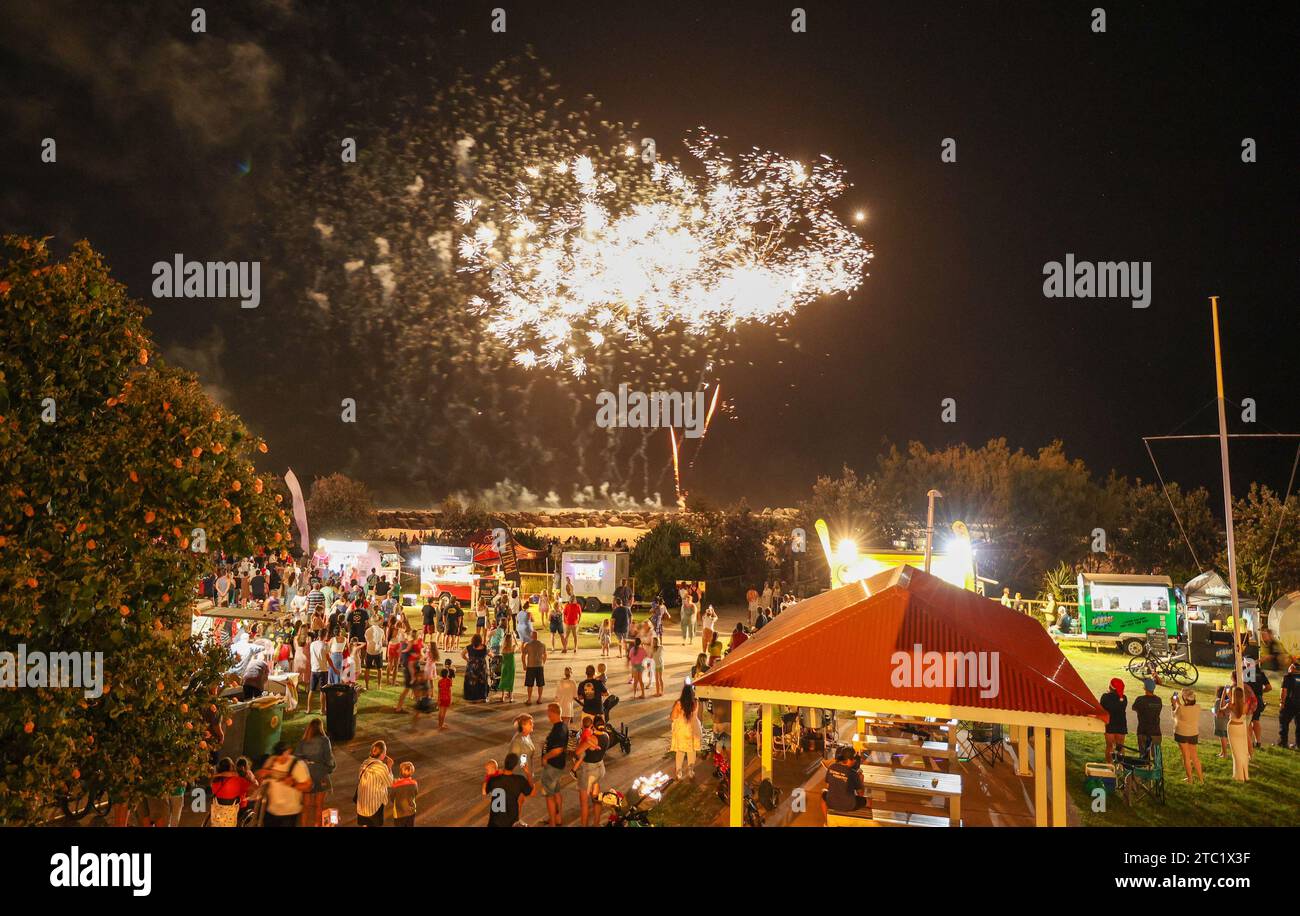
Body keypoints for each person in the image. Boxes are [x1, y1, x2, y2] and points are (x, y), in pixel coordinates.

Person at [256, 742, 313, 827]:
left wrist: (294, 784)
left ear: (289, 751)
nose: (279, 759)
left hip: (289, 812)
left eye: (283, 755)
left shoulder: (297, 764)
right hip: (271, 811)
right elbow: (260, 779)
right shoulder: (271, 761)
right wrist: (260, 775)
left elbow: (308, 787)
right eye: (278, 756)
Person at [294, 718, 335, 827]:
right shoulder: (325, 740)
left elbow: (296, 758)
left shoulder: (303, 741)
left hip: (307, 775)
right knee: (319, 806)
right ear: (320, 728)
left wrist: (305, 765)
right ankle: (317, 825)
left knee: (306, 806)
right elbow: (329, 759)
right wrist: (329, 769)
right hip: (321, 774)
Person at [572, 715, 611, 827]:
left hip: (588, 771)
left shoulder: (592, 739)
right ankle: (596, 824)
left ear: (593, 725)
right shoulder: (606, 736)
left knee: (584, 803)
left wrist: (584, 742)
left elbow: (578, 752)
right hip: (599, 768)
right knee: (596, 799)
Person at [540, 703, 570, 826]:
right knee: (557, 791)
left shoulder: (559, 729)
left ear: (553, 713)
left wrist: (545, 758)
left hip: (553, 766)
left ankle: (552, 822)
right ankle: (558, 818)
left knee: (549, 796)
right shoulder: (562, 726)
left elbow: (557, 750)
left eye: (548, 712)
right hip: (559, 766)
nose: (547, 715)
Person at [485, 752, 534, 827]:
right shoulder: (519, 780)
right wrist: (528, 773)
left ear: (505, 763)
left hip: (494, 821)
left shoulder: (493, 780)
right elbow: (530, 791)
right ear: (514, 766)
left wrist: (494, 773)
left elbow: (486, 790)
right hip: (510, 821)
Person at [821, 746, 868, 822]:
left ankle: (827, 822)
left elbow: (828, 787)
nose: (855, 761)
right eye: (854, 759)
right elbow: (861, 794)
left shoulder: (831, 767)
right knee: (868, 801)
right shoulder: (853, 773)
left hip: (831, 802)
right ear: (849, 760)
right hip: (849, 805)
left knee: (823, 793)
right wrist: (861, 780)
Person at [355, 741, 394, 827]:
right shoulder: (381, 767)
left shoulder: (365, 763)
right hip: (374, 806)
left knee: (365, 825)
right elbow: (390, 783)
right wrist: (389, 767)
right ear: (383, 754)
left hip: (362, 804)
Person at [209, 757, 256, 827]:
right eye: (233, 765)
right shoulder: (238, 780)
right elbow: (253, 788)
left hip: (218, 813)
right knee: (251, 804)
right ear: (230, 768)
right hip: (235, 812)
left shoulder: (214, 782)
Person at [1170, 688, 1204, 784]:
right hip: (1193, 733)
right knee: (1195, 757)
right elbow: (1185, 710)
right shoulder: (1198, 707)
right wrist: (1179, 704)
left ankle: (1190, 779)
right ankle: (1201, 779)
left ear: (1184, 699)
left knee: (1186, 756)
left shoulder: (1181, 708)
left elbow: (1174, 715)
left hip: (1181, 733)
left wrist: (1174, 704)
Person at [670, 683, 703, 779]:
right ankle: (691, 770)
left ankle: (679, 771)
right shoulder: (696, 702)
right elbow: (699, 716)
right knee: (692, 751)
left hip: (682, 729)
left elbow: (673, 717)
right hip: (694, 729)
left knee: (680, 751)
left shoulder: (679, 703)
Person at [1130, 678, 1162, 758]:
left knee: (1144, 756)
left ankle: (1145, 768)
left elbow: (1134, 708)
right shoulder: (1158, 700)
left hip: (1143, 730)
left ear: (1145, 688)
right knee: (1156, 756)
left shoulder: (1140, 699)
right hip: (1156, 731)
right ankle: (1156, 770)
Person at [1099, 678, 1127, 763]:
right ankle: (1120, 765)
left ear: (1110, 687)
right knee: (1120, 746)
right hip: (1121, 725)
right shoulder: (1124, 698)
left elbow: (1102, 708)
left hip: (1110, 724)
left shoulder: (1105, 697)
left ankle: (1110, 765)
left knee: (1109, 746)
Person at [1227, 687, 1251, 781]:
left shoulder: (1231, 705)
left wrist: (1226, 693)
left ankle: (1239, 776)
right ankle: (1244, 774)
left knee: (1236, 753)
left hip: (1233, 728)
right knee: (1242, 751)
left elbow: (1221, 708)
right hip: (1241, 728)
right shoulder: (1246, 705)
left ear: (1233, 695)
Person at [305, 631, 331, 715]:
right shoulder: (325, 645)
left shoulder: (312, 644)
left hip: (314, 669)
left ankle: (309, 709)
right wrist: (334, 668)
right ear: (325, 635)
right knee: (322, 691)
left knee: (311, 690)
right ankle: (322, 710)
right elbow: (328, 658)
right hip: (323, 670)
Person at [389, 762, 419, 827]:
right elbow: (415, 793)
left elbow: (392, 798)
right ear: (412, 772)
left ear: (400, 772)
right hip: (411, 811)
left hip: (399, 813)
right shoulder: (414, 784)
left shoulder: (396, 785)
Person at [462, 633, 489, 702]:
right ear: (480, 640)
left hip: (471, 667)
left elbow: (462, 654)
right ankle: (482, 697)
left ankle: (471, 697)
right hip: (481, 668)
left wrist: (468, 660)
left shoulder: (469, 647)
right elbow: (489, 653)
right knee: (482, 682)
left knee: (471, 681)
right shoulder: (484, 647)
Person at [1279, 661, 1300, 748]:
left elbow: (1284, 690)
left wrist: (1282, 702)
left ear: (1293, 668)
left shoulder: (1287, 677)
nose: (1289, 668)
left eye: (1290, 666)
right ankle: (1298, 744)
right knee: (1299, 725)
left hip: (1289, 704)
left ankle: (1283, 743)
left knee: (1284, 723)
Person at [1213, 683, 1232, 757]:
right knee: (1224, 738)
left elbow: (1218, 714)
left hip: (1220, 723)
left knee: (1222, 738)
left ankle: (1225, 753)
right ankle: (1222, 752)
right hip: (1227, 722)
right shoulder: (1228, 701)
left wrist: (1215, 712)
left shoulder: (1218, 701)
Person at [498, 633, 518, 703]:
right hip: (511, 666)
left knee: (503, 679)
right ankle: (511, 697)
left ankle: (502, 697)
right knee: (510, 680)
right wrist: (515, 637)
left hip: (504, 666)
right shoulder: (512, 648)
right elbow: (517, 645)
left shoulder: (503, 648)